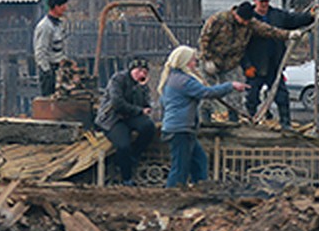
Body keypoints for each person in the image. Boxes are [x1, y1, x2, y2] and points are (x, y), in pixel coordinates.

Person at [157, 46, 247, 188]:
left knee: (199, 160)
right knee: (180, 168)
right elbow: (207, 93)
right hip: (180, 130)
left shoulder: (171, 79)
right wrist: (230, 86)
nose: (195, 64)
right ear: (184, 62)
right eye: (193, 60)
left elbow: (163, 103)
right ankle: (171, 194)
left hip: (180, 128)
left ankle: (201, 188)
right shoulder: (183, 81)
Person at [198, 1, 302, 117]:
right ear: (236, 14)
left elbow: (268, 30)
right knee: (207, 89)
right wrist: (207, 58)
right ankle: (205, 115)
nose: (245, 23)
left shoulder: (250, 23)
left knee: (235, 92)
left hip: (230, 63)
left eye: (247, 21)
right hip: (212, 60)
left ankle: (234, 116)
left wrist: (288, 35)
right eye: (243, 20)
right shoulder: (219, 19)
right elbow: (204, 39)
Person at [242, 0, 314, 128]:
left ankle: (285, 123)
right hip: (255, 64)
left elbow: (294, 19)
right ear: (255, 1)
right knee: (252, 96)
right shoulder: (248, 18)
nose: (264, 4)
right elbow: (241, 46)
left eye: (266, 2)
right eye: (261, 1)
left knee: (281, 95)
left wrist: (309, 15)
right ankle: (250, 121)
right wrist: (246, 65)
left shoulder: (277, 15)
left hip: (274, 64)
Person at [95, 57, 155, 185]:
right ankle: (126, 176)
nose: (141, 74)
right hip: (113, 118)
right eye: (138, 71)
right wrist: (139, 111)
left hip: (130, 116)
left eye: (144, 72)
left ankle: (134, 156)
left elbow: (146, 103)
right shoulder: (118, 79)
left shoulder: (140, 85)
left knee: (148, 127)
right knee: (123, 144)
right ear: (131, 70)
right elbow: (117, 103)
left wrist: (146, 103)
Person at [32, 0, 69, 96]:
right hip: (50, 72)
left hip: (59, 71)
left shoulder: (59, 25)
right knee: (49, 103)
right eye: (63, 6)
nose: (65, 8)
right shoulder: (45, 27)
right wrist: (47, 72)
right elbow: (40, 52)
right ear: (56, 7)